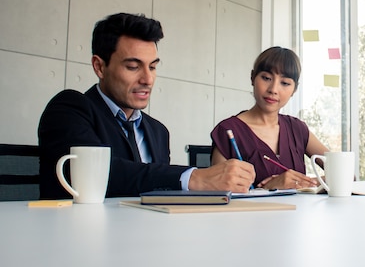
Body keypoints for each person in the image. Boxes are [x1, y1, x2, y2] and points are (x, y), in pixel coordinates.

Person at [38, 13, 255, 199]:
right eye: (133, 67)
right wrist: (193, 177)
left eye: (152, 67)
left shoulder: (158, 132)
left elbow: (159, 193)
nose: (148, 79)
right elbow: (96, 174)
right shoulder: (70, 109)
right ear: (99, 67)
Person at [210, 46, 329, 189]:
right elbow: (219, 194)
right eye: (266, 78)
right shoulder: (228, 131)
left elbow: (345, 174)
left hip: (299, 212)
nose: (273, 89)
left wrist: (305, 183)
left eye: (284, 83)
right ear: (253, 78)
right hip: (251, 212)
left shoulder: (298, 129)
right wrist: (268, 188)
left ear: (294, 90)